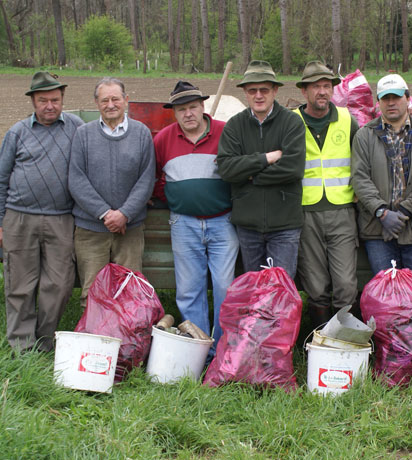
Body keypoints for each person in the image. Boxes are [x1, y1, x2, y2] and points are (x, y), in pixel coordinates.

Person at [153, 80, 239, 356]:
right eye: (181, 109)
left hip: (222, 221)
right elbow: (154, 177)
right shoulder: (164, 139)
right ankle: (198, 350)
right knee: (189, 290)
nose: (188, 114)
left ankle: (222, 351)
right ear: (174, 113)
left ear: (203, 107)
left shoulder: (226, 133)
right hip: (184, 223)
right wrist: (175, 199)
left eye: (192, 107)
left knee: (225, 288)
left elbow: (240, 172)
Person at [0, 72, 83, 351]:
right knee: (20, 284)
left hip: (61, 218)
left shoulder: (76, 128)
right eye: (43, 100)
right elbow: (1, 178)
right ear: (33, 101)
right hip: (19, 217)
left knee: (59, 284)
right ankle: (22, 346)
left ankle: (46, 341)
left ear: (62, 100)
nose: (50, 105)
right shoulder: (18, 132)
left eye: (55, 100)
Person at [69, 77, 155, 305]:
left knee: (129, 291)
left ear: (126, 100)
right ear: (96, 103)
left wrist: (124, 213)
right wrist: (105, 214)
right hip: (90, 230)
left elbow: (146, 179)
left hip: (130, 230)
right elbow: (76, 179)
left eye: (115, 99)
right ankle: (94, 339)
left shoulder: (141, 133)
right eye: (104, 100)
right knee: (92, 293)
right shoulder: (83, 134)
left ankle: (125, 340)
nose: (110, 104)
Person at [217, 60, 306, 278]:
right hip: (248, 226)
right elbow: (227, 168)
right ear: (245, 93)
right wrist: (265, 158)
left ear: (275, 91)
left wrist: (249, 176)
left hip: (284, 225)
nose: (258, 95)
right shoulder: (234, 126)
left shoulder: (291, 123)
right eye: (252, 90)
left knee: (280, 289)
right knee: (254, 290)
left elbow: (292, 169)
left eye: (264, 90)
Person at [351, 73, 412, 284]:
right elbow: (360, 178)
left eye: (396, 97)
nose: (391, 103)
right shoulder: (365, 136)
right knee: (386, 297)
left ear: (407, 99)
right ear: (378, 102)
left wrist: (403, 213)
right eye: (385, 98)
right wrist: (382, 212)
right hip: (378, 231)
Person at [294, 61, 360, 327]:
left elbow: (362, 159)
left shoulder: (347, 119)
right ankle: (320, 339)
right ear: (304, 91)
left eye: (326, 86)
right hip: (306, 212)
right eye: (315, 87)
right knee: (316, 284)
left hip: (342, 211)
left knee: (345, 283)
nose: (322, 92)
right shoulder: (291, 121)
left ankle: (344, 337)